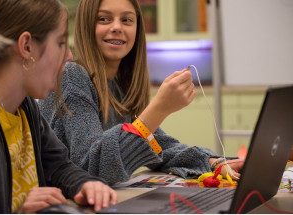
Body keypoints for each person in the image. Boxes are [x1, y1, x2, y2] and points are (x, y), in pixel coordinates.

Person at [39, 0, 244, 186]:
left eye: (127, 20)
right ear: (85, 25)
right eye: (104, 19)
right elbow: (92, 169)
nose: (117, 27)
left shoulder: (119, 86)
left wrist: (214, 161)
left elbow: (161, 147)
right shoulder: (72, 76)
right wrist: (159, 109)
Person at [0, 0, 117, 213]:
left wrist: (86, 184)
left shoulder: (25, 108)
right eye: (60, 43)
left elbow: (59, 167)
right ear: (26, 46)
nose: (69, 56)